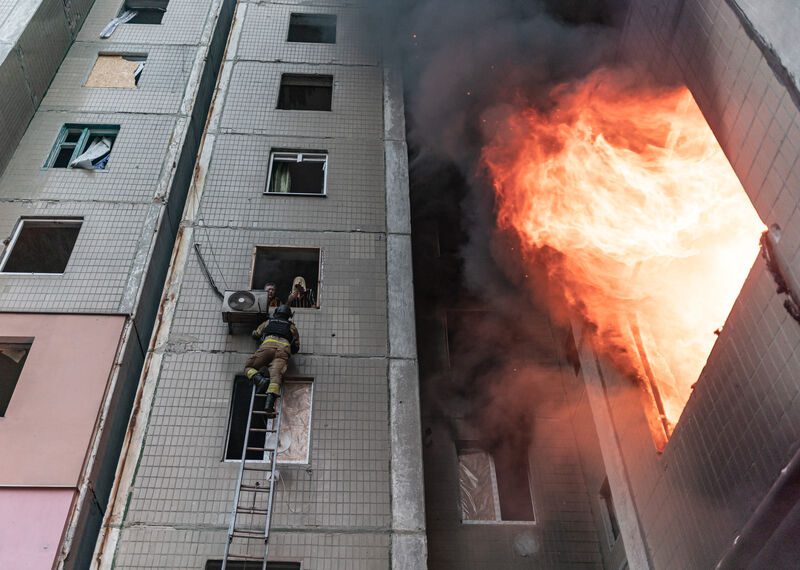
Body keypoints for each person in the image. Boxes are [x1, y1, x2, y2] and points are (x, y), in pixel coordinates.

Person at [245, 305, 300, 417]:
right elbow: (296, 348)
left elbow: (256, 334)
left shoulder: (268, 322)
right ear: (289, 316)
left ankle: (260, 380)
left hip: (267, 348)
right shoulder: (292, 327)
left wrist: (255, 333)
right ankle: (269, 405)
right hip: (283, 352)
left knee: (248, 367)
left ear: (276, 312)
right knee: (275, 378)